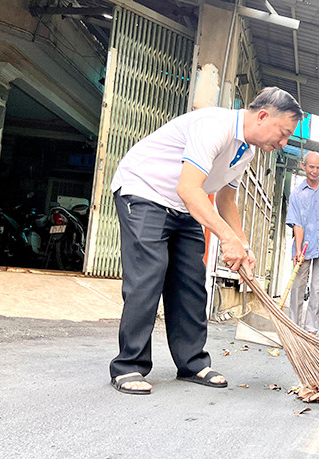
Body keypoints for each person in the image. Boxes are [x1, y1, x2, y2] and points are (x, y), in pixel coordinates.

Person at [109, 87, 303, 395]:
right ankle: (129, 365)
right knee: (149, 276)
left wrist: (243, 245)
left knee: (190, 280)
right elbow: (190, 187)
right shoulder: (215, 125)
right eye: (283, 134)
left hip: (183, 204)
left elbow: (227, 199)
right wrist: (227, 239)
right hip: (144, 191)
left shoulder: (247, 150)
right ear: (263, 116)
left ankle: (192, 363)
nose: (282, 144)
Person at [286, 152, 319, 334]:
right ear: (304, 166)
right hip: (304, 247)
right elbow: (297, 224)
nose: (314, 171)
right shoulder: (297, 194)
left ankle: (311, 329)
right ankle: (294, 327)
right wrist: (299, 249)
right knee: (298, 287)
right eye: (311, 167)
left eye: (318, 167)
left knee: (318, 289)